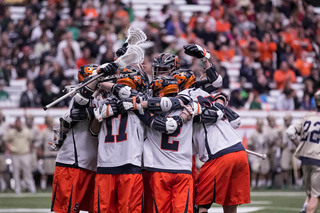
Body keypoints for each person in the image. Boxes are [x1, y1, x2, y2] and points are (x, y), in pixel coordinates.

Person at [51, 63, 116, 213]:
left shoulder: (102, 100)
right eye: (94, 78)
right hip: (73, 163)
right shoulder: (79, 98)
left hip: (94, 166)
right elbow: (82, 100)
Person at [286, 90, 320, 213]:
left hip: (305, 159)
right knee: (316, 195)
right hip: (318, 159)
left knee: (311, 193)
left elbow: (290, 132)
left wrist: (301, 145)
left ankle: (305, 207)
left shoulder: (308, 116)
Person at [3, 117, 36, 194]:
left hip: (25, 154)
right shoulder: (11, 132)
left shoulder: (27, 131)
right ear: (15, 124)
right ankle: (17, 189)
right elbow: (5, 141)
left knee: (27, 172)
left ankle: (31, 187)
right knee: (16, 172)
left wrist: (30, 152)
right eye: (16, 123)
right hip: (15, 155)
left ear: (21, 123)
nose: (18, 124)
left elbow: (31, 141)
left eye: (19, 123)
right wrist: (10, 148)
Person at [247, 118, 270, 188]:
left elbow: (270, 143)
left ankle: (260, 184)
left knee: (263, 170)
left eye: (261, 124)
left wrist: (269, 151)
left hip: (264, 153)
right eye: (259, 124)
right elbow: (249, 144)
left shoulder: (266, 134)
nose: (260, 126)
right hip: (256, 154)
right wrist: (253, 152)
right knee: (255, 169)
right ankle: (254, 184)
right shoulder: (254, 134)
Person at [38, 116, 57, 190]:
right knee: (45, 172)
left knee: (56, 173)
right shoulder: (43, 132)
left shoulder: (56, 131)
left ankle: (56, 187)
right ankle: (43, 186)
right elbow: (39, 143)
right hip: (47, 154)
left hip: (56, 154)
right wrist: (40, 152)